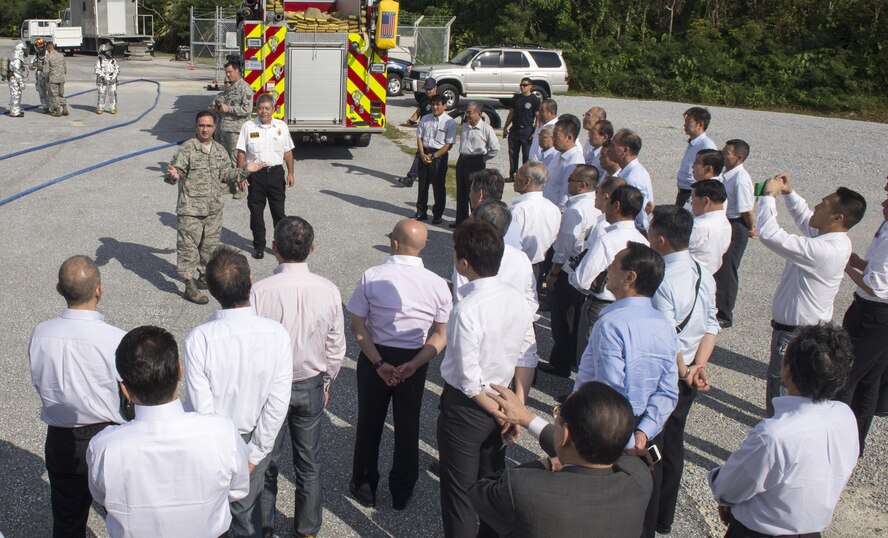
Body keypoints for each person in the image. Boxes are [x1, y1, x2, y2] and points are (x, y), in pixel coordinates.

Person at [86, 326, 250, 537]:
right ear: (180, 371)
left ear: (124, 389)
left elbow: (101, 495)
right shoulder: (222, 432)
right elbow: (238, 489)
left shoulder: (103, 447)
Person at [182, 246, 293, 537]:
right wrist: (255, 454)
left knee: (215, 513)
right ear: (251, 281)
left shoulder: (199, 339)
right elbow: (278, 401)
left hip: (213, 441)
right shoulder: (276, 334)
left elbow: (200, 404)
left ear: (215, 292)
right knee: (245, 513)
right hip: (256, 435)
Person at [708, 325, 859, 538]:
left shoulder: (774, 435)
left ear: (787, 369)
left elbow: (727, 487)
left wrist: (723, 495)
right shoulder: (845, 416)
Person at [437, 219, 535, 538]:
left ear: (463, 262)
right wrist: (514, 408)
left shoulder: (466, 309)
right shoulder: (517, 298)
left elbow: (467, 379)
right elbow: (525, 352)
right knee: (491, 486)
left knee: (460, 495)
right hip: (502, 397)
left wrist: (500, 411)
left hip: (468, 409)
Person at [574, 242, 679, 538]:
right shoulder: (663, 326)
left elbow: (609, 391)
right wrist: (643, 432)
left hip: (605, 427)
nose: (608, 268)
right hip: (643, 431)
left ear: (630, 277)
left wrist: (625, 437)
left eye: (614, 264)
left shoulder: (612, 323)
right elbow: (668, 391)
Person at [250, 216, 346, 538]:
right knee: (309, 463)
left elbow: (252, 346)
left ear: (274, 248)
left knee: (266, 461)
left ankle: (263, 528)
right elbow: (336, 346)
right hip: (311, 384)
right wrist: (328, 381)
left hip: (269, 389)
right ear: (312, 249)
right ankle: (306, 529)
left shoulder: (259, 292)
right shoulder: (329, 290)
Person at [347, 219, 451, 509]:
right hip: (414, 359)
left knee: (369, 423)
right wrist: (415, 364)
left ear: (394, 243)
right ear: (423, 247)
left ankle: (365, 485)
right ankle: (402, 491)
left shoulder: (372, 276)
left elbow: (358, 325)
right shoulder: (438, 284)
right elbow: (441, 334)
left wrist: (379, 362)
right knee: (408, 428)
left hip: (375, 356)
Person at [470, 382, 652, 538]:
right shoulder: (638, 476)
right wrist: (528, 419)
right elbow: (596, 443)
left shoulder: (522, 490)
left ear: (565, 435)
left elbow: (480, 492)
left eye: (557, 415)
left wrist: (547, 463)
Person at [28, 255, 126, 537]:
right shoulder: (117, 338)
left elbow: (39, 379)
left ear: (59, 289)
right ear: (99, 290)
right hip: (109, 436)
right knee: (122, 518)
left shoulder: (41, 333)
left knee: (67, 521)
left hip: (61, 437)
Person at [759, 174, 865, 416]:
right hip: (807, 329)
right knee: (800, 391)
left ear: (837, 218)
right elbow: (808, 220)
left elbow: (770, 235)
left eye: (823, 205)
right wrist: (789, 193)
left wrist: (768, 196)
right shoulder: (835, 240)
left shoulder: (824, 250)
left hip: (795, 333)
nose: (816, 206)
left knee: (783, 390)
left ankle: (779, 432)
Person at [647, 205, 719, 535]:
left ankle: (647, 517)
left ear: (660, 239)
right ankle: (665, 517)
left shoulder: (662, 278)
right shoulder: (702, 271)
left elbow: (665, 336)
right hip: (690, 370)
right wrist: (697, 366)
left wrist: (682, 370)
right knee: (674, 443)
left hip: (667, 373)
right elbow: (710, 323)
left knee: (653, 447)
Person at [165, 110, 264, 304]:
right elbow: (175, 172)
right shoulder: (188, 149)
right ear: (196, 127)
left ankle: (203, 277)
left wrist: (246, 171)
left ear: (214, 128)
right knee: (188, 249)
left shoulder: (220, 150)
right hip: (190, 210)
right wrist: (174, 176)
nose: (205, 129)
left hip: (213, 210)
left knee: (209, 248)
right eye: (201, 125)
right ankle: (189, 285)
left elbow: (227, 175)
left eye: (209, 126)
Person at [451, 201, 540, 399]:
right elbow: (531, 301)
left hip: (472, 384)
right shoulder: (521, 259)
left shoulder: (468, 261)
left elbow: (460, 299)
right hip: (508, 359)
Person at [570, 185, 648, 362]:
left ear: (616, 206)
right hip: (633, 307)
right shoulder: (643, 241)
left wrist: (572, 276)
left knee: (594, 356)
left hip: (602, 305)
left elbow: (582, 280)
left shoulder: (607, 239)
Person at [839, 177, 888, 455]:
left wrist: (847, 268)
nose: (882, 199)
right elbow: (881, 269)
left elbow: (877, 286)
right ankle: (855, 444)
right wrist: (861, 263)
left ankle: (842, 444)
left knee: (848, 378)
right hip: (879, 316)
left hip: (874, 315)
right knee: (869, 381)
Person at [539, 165, 602, 378]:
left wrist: (554, 272)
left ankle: (560, 363)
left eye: (571, 180)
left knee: (561, 318)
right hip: (584, 268)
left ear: (582, 185)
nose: (568, 183)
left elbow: (565, 244)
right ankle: (572, 359)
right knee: (575, 318)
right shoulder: (597, 205)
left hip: (568, 269)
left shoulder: (576, 210)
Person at [236, 93, 295, 260]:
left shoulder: (281, 126)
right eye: (261, 108)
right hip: (256, 176)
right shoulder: (248, 127)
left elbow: (288, 151)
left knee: (279, 213)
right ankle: (259, 246)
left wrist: (290, 172)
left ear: (273, 109)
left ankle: (281, 246)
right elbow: (241, 152)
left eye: (267, 108)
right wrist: (241, 175)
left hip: (276, 174)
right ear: (257, 109)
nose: (264, 112)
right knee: (256, 213)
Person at [714, 139, 756, 328]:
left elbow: (746, 210)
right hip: (725, 222)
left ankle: (724, 313)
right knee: (718, 265)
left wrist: (751, 227)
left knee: (728, 269)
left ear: (739, 157)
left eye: (727, 152)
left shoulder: (741, 179)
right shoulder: (727, 173)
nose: (723, 154)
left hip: (736, 224)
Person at [503, 161, 562, 269]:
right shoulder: (553, 209)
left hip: (517, 267)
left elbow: (508, 245)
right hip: (539, 266)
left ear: (527, 181)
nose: (515, 177)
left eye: (518, 174)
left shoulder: (518, 211)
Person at [453, 102, 500, 227]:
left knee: (474, 193)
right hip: (462, 160)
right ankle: (461, 222)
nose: (467, 114)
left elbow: (495, 148)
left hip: (476, 162)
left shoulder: (486, 128)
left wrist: (483, 159)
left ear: (478, 114)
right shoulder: (465, 126)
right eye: (467, 112)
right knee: (461, 191)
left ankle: (475, 222)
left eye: (470, 112)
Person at [212, 61, 255, 199]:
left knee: (237, 160)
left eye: (229, 72)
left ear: (237, 71)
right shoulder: (230, 89)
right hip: (223, 129)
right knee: (225, 159)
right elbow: (221, 105)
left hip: (235, 130)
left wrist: (228, 108)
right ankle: (230, 185)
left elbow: (247, 110)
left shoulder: (245, 88)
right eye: (226, 72)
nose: (227, 75)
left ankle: (242, 188)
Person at [414, 94, 457, 225]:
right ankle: (421, 212)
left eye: (438, 104)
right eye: (433, 104)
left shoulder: (450, 122)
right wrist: (422, 153)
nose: (435, 107)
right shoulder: (425, 119)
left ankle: (437, 214)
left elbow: (448, 145)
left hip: (438, 156)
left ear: (444, 106)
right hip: (424, 152)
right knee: (422, 185)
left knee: (438, 187)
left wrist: (434, 156)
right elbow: (419, 137)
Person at [610, 128, 654, 232]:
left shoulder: (632, 179)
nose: (609, 149)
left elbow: (641, 218)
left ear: (625, 150)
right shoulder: (631, 171)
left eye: (613, 145)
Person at [397, 78, 438, 187]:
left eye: (430, 89)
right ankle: (412, 178)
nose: (428, 91)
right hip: (423, 132)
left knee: (432, 155)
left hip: (435, 132)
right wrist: (411, 120)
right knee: (420, 154)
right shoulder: (424, 100)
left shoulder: (438, 101)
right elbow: (418, 112)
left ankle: (426, 177)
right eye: (426, 89)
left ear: (435, 88)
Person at [688, 179, 732, 275]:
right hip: (709, 277)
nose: (691, 203)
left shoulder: (698, 226)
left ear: (705, 201)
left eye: (692, 198)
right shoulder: (726, 224)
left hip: (689, 276)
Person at [542, 114, 585, 211]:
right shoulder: (559, 154)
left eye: (556, 136)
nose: (553, 139)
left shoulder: (574, 162)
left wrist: (559, 215)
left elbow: (566, 196)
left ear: (569, 137)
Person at [675, 107, 717, 206]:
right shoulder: (693, 143)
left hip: (693, 193)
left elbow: (710, 175)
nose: (684, 125)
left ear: (700, 125)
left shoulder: (707, 145)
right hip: (683, 192)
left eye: (689, 122)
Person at [502, 78, 540, 181]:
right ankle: (513, 175)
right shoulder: (516, 98)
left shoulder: (535, 100)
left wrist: (535, 132)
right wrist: (505, 127)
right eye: (521, 85)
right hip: (515, 129)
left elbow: (538, 117)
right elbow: (511, 113)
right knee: (513, 153)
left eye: (525, 85)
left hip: (527, 129)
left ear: (530, 86)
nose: (522, 87)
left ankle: (525, 176)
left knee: (526, 154)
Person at [94, 44, 119, 115]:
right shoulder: (100, 61)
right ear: (103, 52)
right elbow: (97, 70)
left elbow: (117, 69)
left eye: (109, 51)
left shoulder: (113, 60)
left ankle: (113, 108)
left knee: (113, 94)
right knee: (101, 94)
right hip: (102, 81)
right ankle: (100, 108)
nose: (109, 53)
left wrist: (113, 77)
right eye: (107, 51)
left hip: (112, 80)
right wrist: (104, 77)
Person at [45, 41, 68, 117]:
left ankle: (56, 110)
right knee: (61, 94)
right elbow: (65, 68)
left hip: (53, 78)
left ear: (48, 48)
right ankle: (64, 108)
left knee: (54, 95)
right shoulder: (61, 55)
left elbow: (46, 70)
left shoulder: (48, 57)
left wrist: (46, 78)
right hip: (61, 78)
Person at [29, 37, 50, 114]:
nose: (40, 49)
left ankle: (53, 106)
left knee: (51, 91)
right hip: (40, 74)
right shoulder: (36, 56)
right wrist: (33, 65)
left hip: (48, 75)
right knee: (41, 92)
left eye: (41, 47)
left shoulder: (49, 54)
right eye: (39, 48)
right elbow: (30, 67)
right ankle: (45, 107)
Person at [6, 41, 26, 118]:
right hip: (14, 79)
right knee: (15, 95)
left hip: (13, 78)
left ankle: (16, 110)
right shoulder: (16, 58)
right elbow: (16, 70)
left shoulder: (14, 56)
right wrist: (21, 82)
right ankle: (14, 112)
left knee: (16, 94)